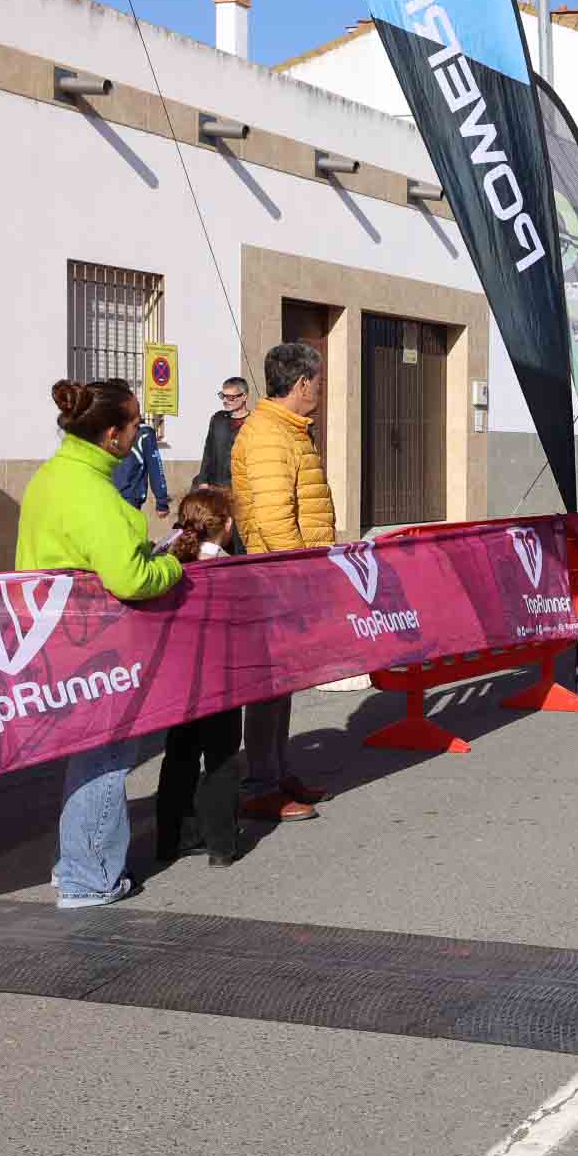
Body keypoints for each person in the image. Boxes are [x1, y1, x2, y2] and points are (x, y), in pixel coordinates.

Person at [17, 379, 186, 909]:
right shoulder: (93, 494)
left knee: (88, 756)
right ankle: (88, 876)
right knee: (106, 757)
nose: (140, 432)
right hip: (94, 643)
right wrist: (174, 567)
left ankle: (74, 863)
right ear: (112, 435)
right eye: (135, 423)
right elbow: (131, 578)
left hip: (57, 637)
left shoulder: (53, 477)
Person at [231, 341, 336, 825]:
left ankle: (276, 772)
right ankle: (260, 786)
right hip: (277, 577)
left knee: (284, 680)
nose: (321, 389)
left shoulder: (288, 430)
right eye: (319, 381)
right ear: (301, 383)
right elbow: (275, 521)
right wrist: (301, 574)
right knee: (269, 685)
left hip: (287, 573)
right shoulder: (269, 436)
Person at [153, 487, 243, 868]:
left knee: (179, 754)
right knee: (222, 756)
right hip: (221, 675)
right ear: (228, 525)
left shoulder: (168, 560)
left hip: (179, 676)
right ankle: (221, 843)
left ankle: (170, 838)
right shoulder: (228, 567)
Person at [196, 376, 252, 491]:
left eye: (230, 397)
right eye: (223, 396)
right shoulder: (217, 419)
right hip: (216, 486)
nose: (225, 401)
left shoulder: (254, 422)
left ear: (244, 396)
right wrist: (203, 480)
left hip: (241, 488)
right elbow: (208, 451)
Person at [113, 408, 171, 519]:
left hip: (111, 494)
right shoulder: (144, 432)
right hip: (129, 496)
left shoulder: (107, 429)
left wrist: (161, 500)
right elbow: (155, 468)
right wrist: (162, 502)